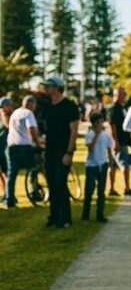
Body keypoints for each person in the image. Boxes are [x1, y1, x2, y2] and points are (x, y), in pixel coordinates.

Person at [39, 77, 80, 229]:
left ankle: (66, 217)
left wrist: (69, 152)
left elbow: (73, 131)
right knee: (51, 183)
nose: (46, 89)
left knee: (60, 183)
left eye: (49, 86)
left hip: (64, 151)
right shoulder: (48, 107)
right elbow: (44, 131)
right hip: (50, 151)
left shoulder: (69, 106)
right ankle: (54, 217)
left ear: (57, 88)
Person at [5, 95, 42, 208]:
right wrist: (38, 143)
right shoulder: (28, 113)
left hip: (11, 146)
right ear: (31, 104)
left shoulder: (15, 113)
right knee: (33, 169)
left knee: (12, 174)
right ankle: (33, 193)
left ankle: (9, 200)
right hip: (24, 147)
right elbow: (31, 129)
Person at [82, 112, 113, 222]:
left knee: (101, 190)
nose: (99, 125)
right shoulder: (90, 134)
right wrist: (96, 135)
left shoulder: (106, 135)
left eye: (101, 122)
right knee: (89, 190)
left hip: (102, 164)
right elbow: (90, 148)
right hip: (91, 164)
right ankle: (86, 213)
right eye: (97, 123)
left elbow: (109, 148)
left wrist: (110, 161)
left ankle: (100, 214)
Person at [107, 87, 131, 197]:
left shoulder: (123, 108)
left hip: (122, 140)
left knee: (114, 166)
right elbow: (112, 125)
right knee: (123, 165)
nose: (124, 96)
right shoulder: (114, 109)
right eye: (123, 94)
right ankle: (127, 187)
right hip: (119, 141)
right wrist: (115, 141)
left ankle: (112, 189)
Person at [0, 97, 12, 193]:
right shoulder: (2, 116)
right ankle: (5, 192)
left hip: (4, 149)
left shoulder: (9, 116)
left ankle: (8, 193)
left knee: (6, 172)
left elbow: (8, 125)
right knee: (2, 173)